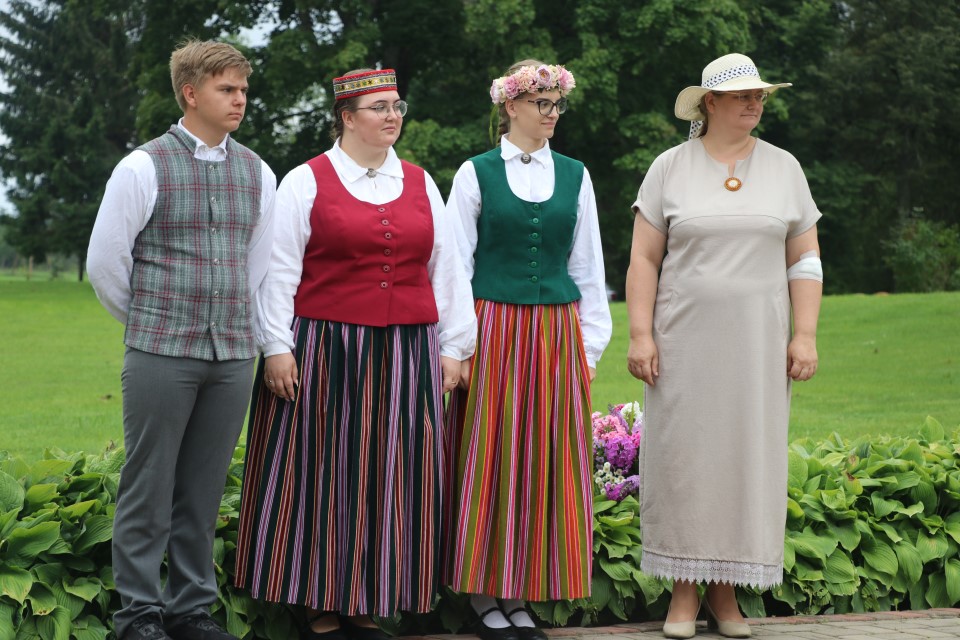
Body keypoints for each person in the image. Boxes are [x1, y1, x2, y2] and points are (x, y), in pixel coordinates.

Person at [232, 68, 477, 640]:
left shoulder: (420, 182)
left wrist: (454, 347)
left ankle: (368, 602)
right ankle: (320, 604)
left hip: (407, 351)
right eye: (379, 107)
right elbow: (278, 271)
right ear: (347, 117)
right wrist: (276, 346)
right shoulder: (305, 181)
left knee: (392, 475)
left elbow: (446, 268)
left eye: (397, 106)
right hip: (327, 348)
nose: (393, 116)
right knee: (325, 473)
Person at [625, 53, 824, 639]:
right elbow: (643, 258)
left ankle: (726, 594)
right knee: (686, 460)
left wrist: (805, 334)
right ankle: (684, 592)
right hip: (682, 344)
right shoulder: (669, 167)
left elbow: (805, 258)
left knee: (746, 459)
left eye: (759, 95)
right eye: (743, 95)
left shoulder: (785, 167)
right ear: (709, 103)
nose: (755, 103)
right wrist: (640, 333)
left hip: (758, 347)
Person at [87, 40, 277, 640]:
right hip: (160, 354)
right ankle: (138, 615)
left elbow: (257, 267)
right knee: (148, 485)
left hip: (233, 356)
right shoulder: (142, 166)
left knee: (204, 488)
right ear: (191, 93)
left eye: (243, 89)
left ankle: (191, 610)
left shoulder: (258, 171)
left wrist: (237, 328)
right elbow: (106, 264)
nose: (240, 99)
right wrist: (152, 321)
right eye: (227, 89)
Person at [444, 60, 612, 640]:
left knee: (542, 461)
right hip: (492, 329)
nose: (552, 113)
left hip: (557, 334)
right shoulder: (476, 173)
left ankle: (518, 596)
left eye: (556, 103)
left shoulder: (576, 175)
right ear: (510, 106)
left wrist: (588, 349)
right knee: (490, 458)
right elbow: (453, 265)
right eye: (542, 102)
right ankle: (482, 597)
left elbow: (588, 266)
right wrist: (459, 345)